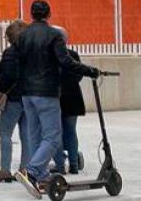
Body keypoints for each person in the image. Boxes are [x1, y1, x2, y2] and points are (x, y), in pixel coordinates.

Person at [14, 0, 99, 198]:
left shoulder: (22, 35)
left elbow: (19, 63)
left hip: (27, 92)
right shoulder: (54, 35)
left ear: (31, 14)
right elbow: (65, 61)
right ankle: (32, 171)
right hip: (47, 92)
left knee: (34, 134)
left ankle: (42, 176)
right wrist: (90, 71)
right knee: (52, 136)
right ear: (48, 15)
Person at [0, 20, 30, 183]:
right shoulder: (33, 52)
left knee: (5, 133)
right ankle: (25, 169)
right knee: (26, 134)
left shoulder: (10, 53)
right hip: (29, 97)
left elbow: (6, 77)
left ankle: (5, 169)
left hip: (13, 98)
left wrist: (0, 90)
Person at [53, 27, 85, 175]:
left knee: (56, 131)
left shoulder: (51, 55)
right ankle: (73, 164)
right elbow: (79, 75)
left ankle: (60, 164)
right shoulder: (73, 55)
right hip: (73, 97)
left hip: (56, 98)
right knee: (71, 131)